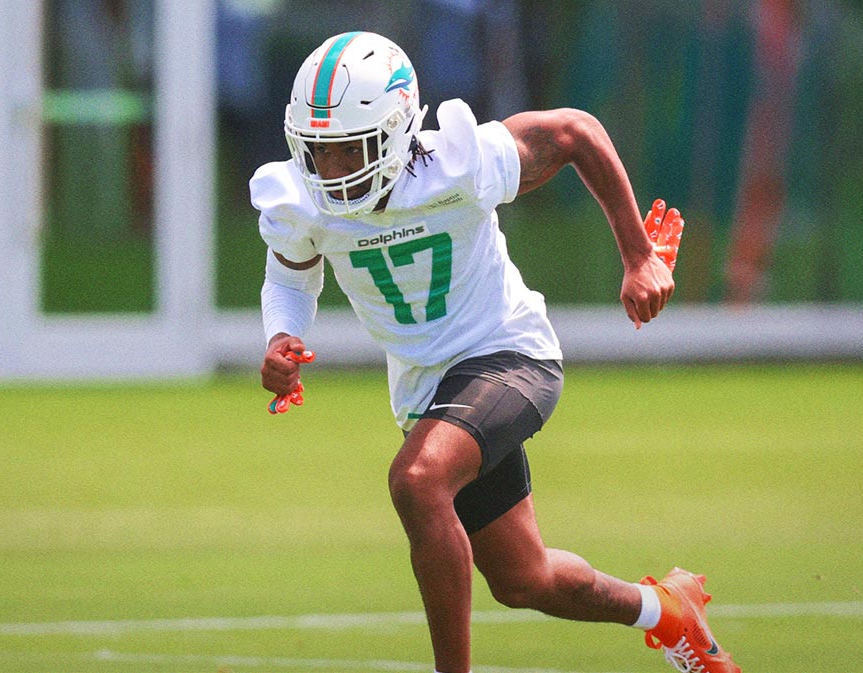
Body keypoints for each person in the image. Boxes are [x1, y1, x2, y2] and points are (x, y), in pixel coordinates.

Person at [252, 31, 740, 673]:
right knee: (524, 580)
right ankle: (665, 609)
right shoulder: (301, 200)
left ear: (399, 132)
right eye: (319, 152)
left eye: (350, 150)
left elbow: (574, 131)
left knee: (418, 482)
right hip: (429, 392)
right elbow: (290, 276)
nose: (334, 171)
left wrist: (638, 254)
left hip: (508, 355)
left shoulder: (458, 161)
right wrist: (281, 339)